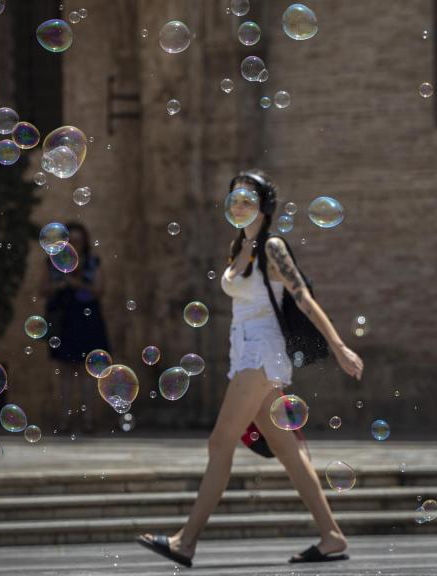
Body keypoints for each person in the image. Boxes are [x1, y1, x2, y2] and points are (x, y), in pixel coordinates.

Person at [136, 169, 364, 566]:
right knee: (289, 452)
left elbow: (304, 298)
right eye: (233, 199)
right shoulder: (239, 247)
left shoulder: (272, 247)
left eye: (247, 199)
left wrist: (340, 346)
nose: (238, 205)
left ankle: (184, 542)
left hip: (262, 354)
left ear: (264, 207)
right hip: (244, 353)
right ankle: (331, 536)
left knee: (219, 443)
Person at [43, 222, 109, 434]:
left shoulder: (92, 262)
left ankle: (88, 419)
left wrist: (78, 283)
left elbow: (100, 289)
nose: (76, 245)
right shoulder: (52, 262)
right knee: (64, 370)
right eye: (72, 241)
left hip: (87, 317)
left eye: (79, 241)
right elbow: (42, 288)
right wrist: (62, 285)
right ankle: (65, 420)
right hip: (64, 316)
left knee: (87, 369)